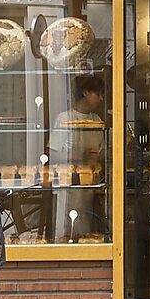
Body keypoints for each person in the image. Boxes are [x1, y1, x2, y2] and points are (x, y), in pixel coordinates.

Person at [48, 76, 105, 237]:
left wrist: (99, 156)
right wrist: (79, 156)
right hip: (69, 186)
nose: (101, 99)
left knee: (88, 230)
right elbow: (53, 154)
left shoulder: (96, 120)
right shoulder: (64, 119)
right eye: (98, 94)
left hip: (90, 187)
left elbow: (101, 153)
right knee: (69, 231)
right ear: (85, 92)